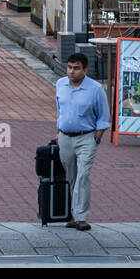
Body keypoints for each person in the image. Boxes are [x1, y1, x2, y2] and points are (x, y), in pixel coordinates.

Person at [54, 52, 110, 231]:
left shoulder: (95, 89)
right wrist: (58, 131)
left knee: (83, 176)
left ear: (85, 70)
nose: (72, 71)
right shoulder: (60, 84)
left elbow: (104, 116)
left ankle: (82, 217)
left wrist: (97, 138)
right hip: (65, 137)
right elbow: (60, 110)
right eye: (69, 67)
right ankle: (74, 215)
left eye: (76, 68)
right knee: (71, 177)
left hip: (87, 137)